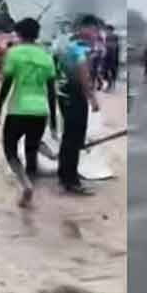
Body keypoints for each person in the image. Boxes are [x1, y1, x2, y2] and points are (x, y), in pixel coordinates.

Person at [0, 18, 58, 208]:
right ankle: (47, 152)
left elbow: (7, 83)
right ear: (37, 35)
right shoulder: (47, 57)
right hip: (41, 111)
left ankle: (25, 184)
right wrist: (53, 123)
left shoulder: (14, 54)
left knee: (10, 150)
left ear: (19, 34)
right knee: (31, 147)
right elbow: (52, 92)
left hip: (18, 110)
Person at [57, 22, 101, 195]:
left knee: (68, 137)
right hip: (75, 97)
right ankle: (71, 180)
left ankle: (64, 174)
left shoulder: (66, 47)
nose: (95, 33)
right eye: (93, 29)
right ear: (84, 30)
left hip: (64, 95)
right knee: (75, 138)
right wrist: (92, 98)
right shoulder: (80, 50)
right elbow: (84, 76)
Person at [103, 26, 120, 91]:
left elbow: (115, 47)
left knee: (112, 71)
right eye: (106, 30)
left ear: (111, 30)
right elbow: (105, 46)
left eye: (108, 30)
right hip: (107, 56)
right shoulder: (107, 37)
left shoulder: (114, 37)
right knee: (105, 71)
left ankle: (111, 85)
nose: (107, 32)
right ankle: (110, 85)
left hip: (113, 57)